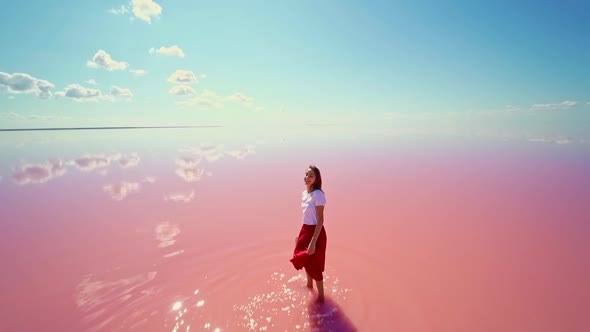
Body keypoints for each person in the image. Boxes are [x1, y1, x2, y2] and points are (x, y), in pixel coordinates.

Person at [290, 165, 327, 302]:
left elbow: (320, 220)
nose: (307, 178)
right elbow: (306, 216)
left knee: (316, 265)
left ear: (317, 179)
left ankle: (321, 299)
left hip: (316, 232)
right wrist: (301, 236)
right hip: (305, 229)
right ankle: (309, 286)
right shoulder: (305, 194)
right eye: (306, 175)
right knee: (305, 260)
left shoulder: (318, 194)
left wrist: (312, 242)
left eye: (311, 175)